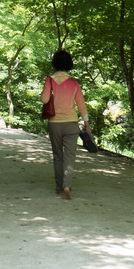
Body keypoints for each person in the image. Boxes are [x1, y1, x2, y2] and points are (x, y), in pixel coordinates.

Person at [41, 50, 91, 200]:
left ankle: (59, 188)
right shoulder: (74, 84)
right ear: (69, 64)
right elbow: (81, 106)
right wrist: (87, 125)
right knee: (70, 156)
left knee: (58, 156)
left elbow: (44, 100)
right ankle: (67, 186)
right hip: (71, 124)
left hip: (55, 124)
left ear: (55, 63)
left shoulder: (49, 81)